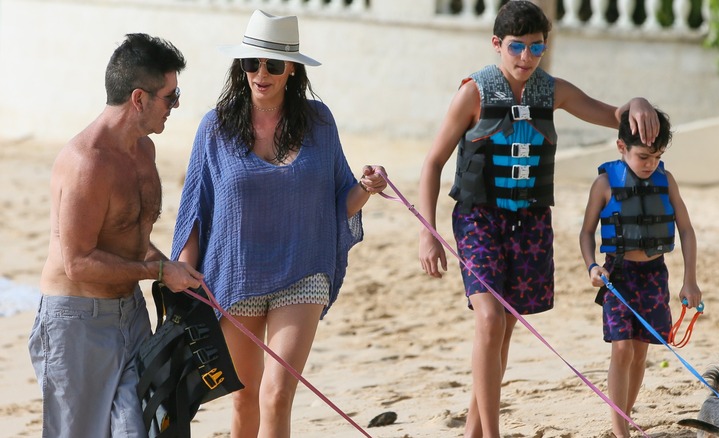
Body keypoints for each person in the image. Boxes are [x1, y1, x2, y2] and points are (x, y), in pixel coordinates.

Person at [417, 1, 662, 436]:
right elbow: (433, 162)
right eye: (517, 47)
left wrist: (639, 101)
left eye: (536, 48)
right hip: (479, 219)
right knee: (490, 320)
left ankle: (475, 431)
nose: (526, 58)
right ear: (497, 44)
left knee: (503, 331)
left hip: (530, 223)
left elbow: (614, 116)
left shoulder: (553, 91)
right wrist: (428, 232)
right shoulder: (473, 92)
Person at [170, 10, 387, 437]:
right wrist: (181, 278)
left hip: (302, 269)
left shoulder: (319, 122)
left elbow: (337, 203)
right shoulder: (214, 127)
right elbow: (196, 209)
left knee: (276, 395)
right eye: (252, 63)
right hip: (234, 275)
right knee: (244, 398)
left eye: (272, 64)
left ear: (292, 69)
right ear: (241, 67)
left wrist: (367, 186)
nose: (261, 73)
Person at [29, 33, 204, 437]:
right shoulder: (87, 163)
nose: (176, 107)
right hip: (77, 325)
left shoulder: (145, 151)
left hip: (130, 315)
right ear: (139, 98)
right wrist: (158, 273)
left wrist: (175, 269)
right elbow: (78, 262)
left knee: (148, 429)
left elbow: (134, 239)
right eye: (170, 97)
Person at [579, 108, 702, 438]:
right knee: (622, 349)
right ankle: (620, 430)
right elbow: (586, 232)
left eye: (657, 156)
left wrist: (689, 279)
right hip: (617, 276)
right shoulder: (604, 184)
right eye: (643, 156)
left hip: (654, 275)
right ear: (621, 147)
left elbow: (687, 230)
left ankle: (626, 415)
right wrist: (592, 265)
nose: (651, 163)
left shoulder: (666, 180)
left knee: (640, 351)